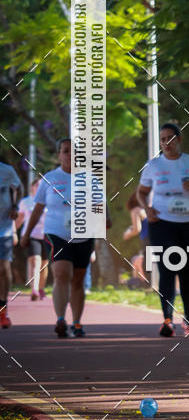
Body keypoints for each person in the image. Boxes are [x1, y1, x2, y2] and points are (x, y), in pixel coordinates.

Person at [136, 123, 189, 337]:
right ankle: (167, 319)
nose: (166, 143)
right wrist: (147, 209)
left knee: (186, 269)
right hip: (162, 221)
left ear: (179, 140)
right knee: (167, 266)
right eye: (163, 139)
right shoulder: (153, 165)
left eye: (170, 138)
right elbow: (141, 192)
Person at [21, 138, 110, 338]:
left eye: (74, 151)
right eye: (65, 150)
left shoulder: (90, 178)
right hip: (56, 233)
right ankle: (61, 319)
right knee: (62, 273)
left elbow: (101, 203)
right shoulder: (50, 179)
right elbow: (37, 209)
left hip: (83, 235)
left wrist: (106, 218)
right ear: (59, 154)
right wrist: (27, 233)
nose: (70, 154)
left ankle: (77, 323)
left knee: (78, 280)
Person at [16, 179, 49, 300]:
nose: (39, 188)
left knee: (44, 264)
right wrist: (12, 232)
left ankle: (41, 288)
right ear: (32, 187)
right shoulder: (25, 202)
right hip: (31, 236)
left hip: (46, 236)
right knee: (35, 261)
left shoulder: (49, 202)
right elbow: (19, 219)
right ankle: (34, 289)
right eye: (37, 185)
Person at [0, 158, 22, 328]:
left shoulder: (6, 170)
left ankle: (2, 310)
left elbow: (18, 187)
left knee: (3, 269)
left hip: (4, 229)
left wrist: (15, 206)